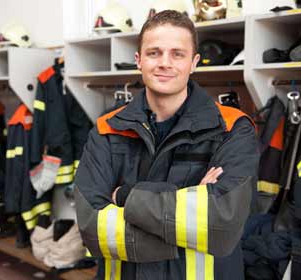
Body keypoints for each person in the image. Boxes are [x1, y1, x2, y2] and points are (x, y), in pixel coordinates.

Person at [74, 10, 259, 280]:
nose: (164, 63)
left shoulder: (232, 129)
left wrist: (125, 196)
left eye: (177, 54)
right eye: (154, 53)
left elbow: (223, 224)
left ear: (194, 62)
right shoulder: (106, 130)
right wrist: (191, 211)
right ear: (138, 60)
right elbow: (93, 228)